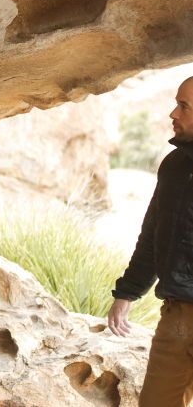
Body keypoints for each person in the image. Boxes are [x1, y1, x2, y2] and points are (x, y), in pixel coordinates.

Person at [108, 76, 193, 406]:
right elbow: (153, 235)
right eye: (176, 103)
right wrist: (128, 291)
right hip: (176, 319)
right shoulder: (173, 166)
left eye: (184, 107)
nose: (173, 113)